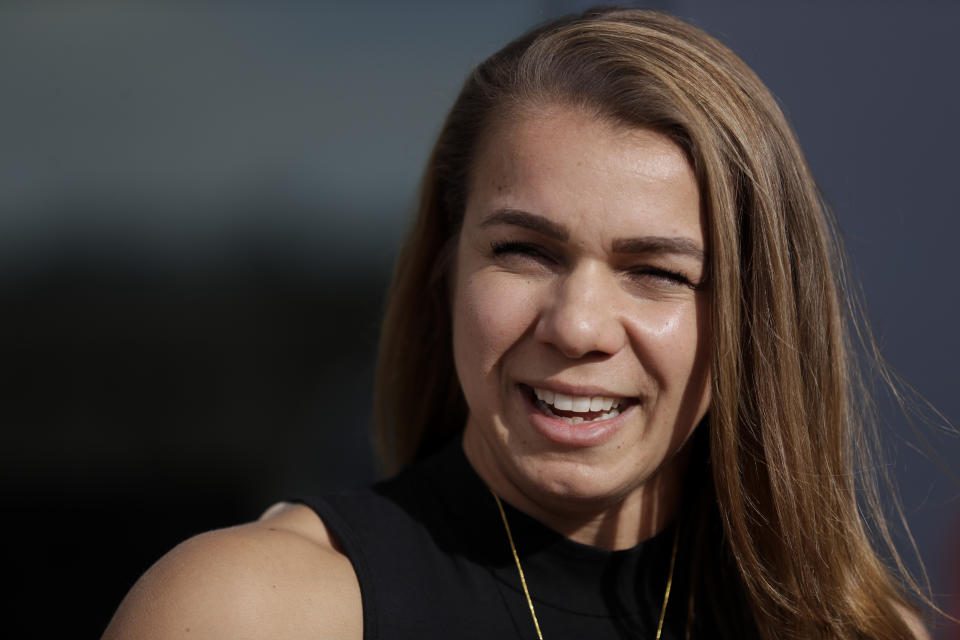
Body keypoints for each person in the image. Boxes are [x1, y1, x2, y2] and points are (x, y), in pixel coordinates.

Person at [103, 7, 934, 639]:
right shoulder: (257, 610)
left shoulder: (861, 629)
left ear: (755, 317)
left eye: (656, 272)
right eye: (526, 252)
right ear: (446, 268)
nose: (578, 326)